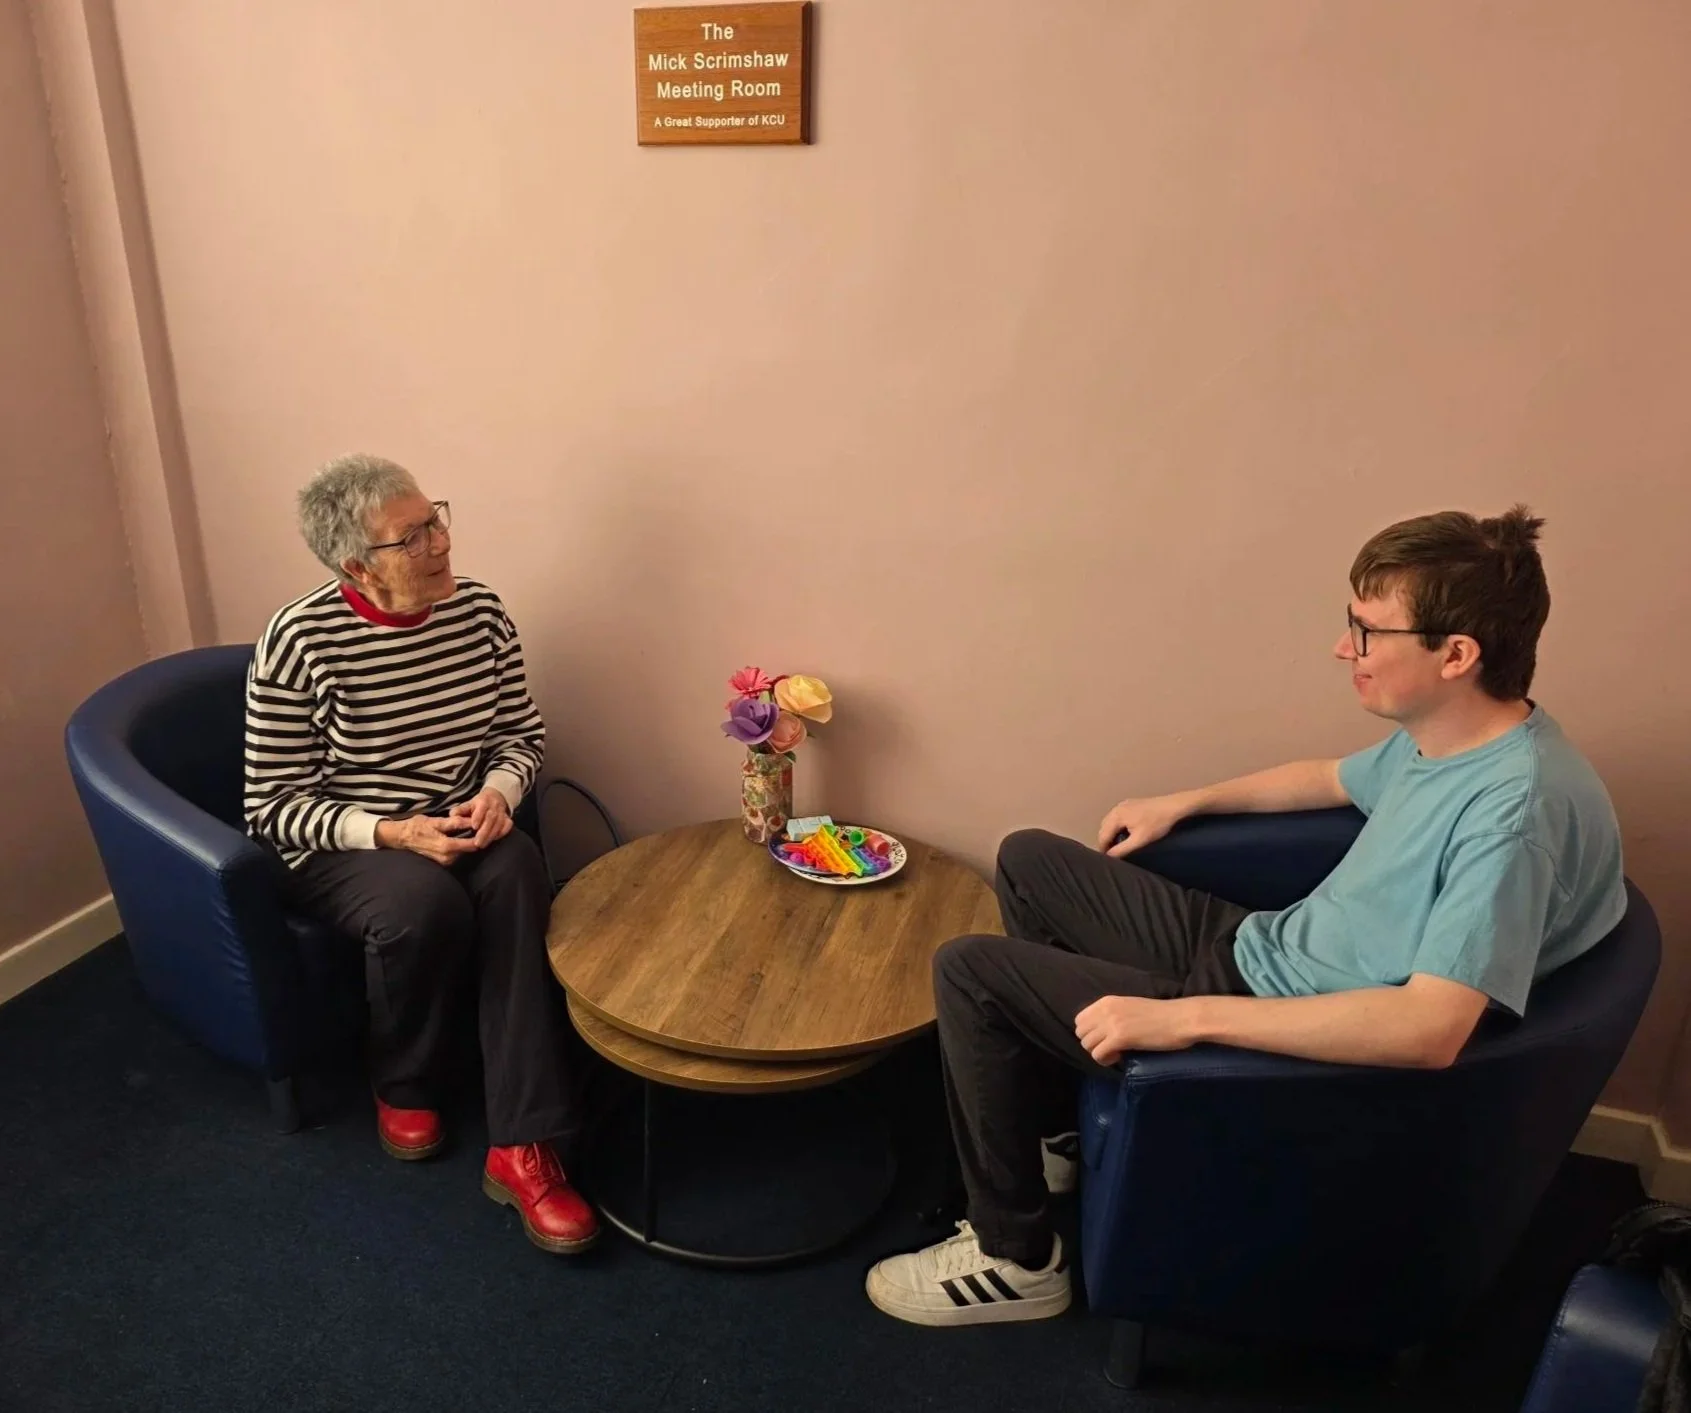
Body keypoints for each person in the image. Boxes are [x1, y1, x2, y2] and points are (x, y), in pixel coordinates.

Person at [866, 506, 1626, 1326]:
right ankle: (1051, 1138)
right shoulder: (1453, 735)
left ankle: (1014, 1257)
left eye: (1366, 631)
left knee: (971, 970)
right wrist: (1184, 801)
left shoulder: (1510, 816)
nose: (1345, 649)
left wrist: (1181, 1020)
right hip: (1265, 948)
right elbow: (1332, 778)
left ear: (1455, 654)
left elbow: (1428, 1030)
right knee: (1030, 856)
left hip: (1281, 1023)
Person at [244, 453, 596, 1254]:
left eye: (435, 519)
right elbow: (270, 807)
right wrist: (394, 832)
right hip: (347, 839)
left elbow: (520, 734)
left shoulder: (480, 614)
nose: (439, 543)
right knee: (421, 904)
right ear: (356, 565)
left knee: (518, 877)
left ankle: (524, 1144)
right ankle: (403, 1078)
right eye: (413, 537)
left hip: (462, 818)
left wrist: (500, 794)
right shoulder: (299, 640)